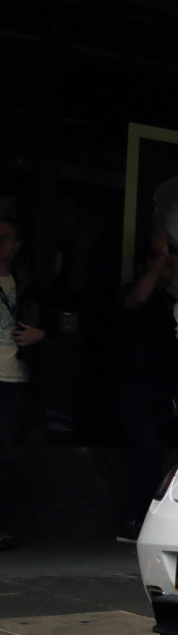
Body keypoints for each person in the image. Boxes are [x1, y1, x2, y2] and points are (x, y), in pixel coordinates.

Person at [113, 227, 178, 543]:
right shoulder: (132, 292)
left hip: (161, 391)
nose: (169, 271)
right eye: (164, 264)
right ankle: (131, 519)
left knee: (156, 455)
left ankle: (144, 520)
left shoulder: (169, 301)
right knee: (145, 452)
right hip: (133, 389)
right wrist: (159, 258)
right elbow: (138, 298)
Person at [0, 217, 47, 549]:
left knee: (4, 454)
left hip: (15, 376)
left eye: (6, 238)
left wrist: (40, 334)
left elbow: (58, 321)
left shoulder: (27, 282)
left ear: (16, 246)